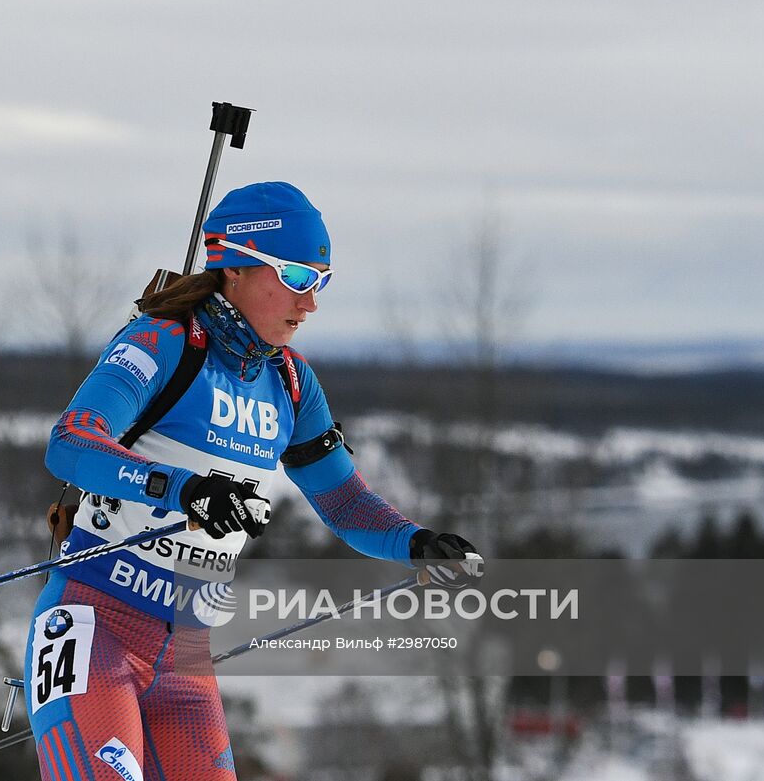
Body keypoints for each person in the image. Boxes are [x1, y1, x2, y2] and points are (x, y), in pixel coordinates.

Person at [27, 181, 480, 781]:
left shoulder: (291, 383)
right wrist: (183, 489)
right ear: (235, 266)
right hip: (94, 627)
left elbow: (345, 502)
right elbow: (71, 443)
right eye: (296, 276)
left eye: (321, 281)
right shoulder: (163, 342)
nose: (309, 302)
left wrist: (417, 543)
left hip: (186, 656)